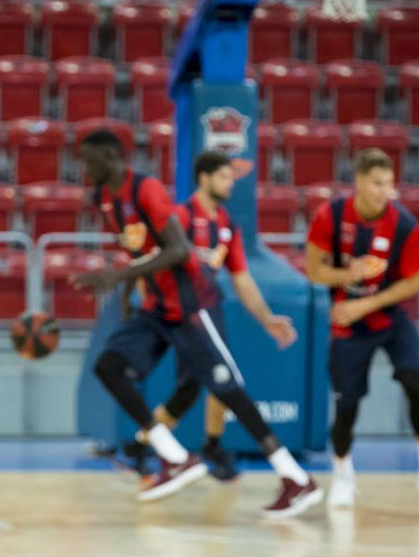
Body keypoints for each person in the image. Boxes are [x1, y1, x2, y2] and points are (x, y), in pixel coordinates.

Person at [73, 129, 322, 518]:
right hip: (156, 308)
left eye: (88, 158)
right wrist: (124, 296)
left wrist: (268, 320)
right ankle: (172, 457)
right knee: (109, 366)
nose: (82, 167)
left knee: (226, 391)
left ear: (109, 155)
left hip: (192, 305)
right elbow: (137, 254)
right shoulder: (105, 200)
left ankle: (295, 477)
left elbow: (179, 252)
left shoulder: (151, 192)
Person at [305, 148, 419, 507]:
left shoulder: (403, 224)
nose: (385, 191)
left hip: (388, 315)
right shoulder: (331, 215)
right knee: (347, 406)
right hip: (347, 324)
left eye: (389, 184)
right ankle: (343, 476)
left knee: (415, 381)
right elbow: (314, 271)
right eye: (377, 183)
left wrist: (364, 304)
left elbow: (412, 283)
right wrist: (347, 277)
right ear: (358, 182)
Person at [139, 151, 298, 482]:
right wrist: (153, 310)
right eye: (224, 177)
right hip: (179, 313)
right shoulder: (179, 218)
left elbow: (241, 278)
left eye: (231, 177)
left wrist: (267, 319)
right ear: (204, 178)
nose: (230, 184)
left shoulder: (226, 225)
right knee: (192, 389)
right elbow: (149, 266)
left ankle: (210, 444)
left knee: (216, 381)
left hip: (209, 311)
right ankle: (142, 446)